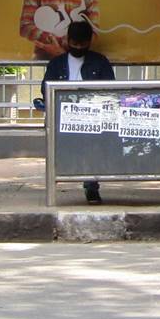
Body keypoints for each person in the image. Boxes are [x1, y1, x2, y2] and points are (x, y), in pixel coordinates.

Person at [42, 20, 115, 204]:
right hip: (64, 117)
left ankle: (91, 187)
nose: (78, 47)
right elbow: (45, 88)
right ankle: (56, 184)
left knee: (93, 149)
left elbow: (111, 90)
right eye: (75, 43)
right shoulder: (56, 64)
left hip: (93, 117)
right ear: (68, 40)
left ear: (89, 41)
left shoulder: (99, 62)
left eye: (82, 43)